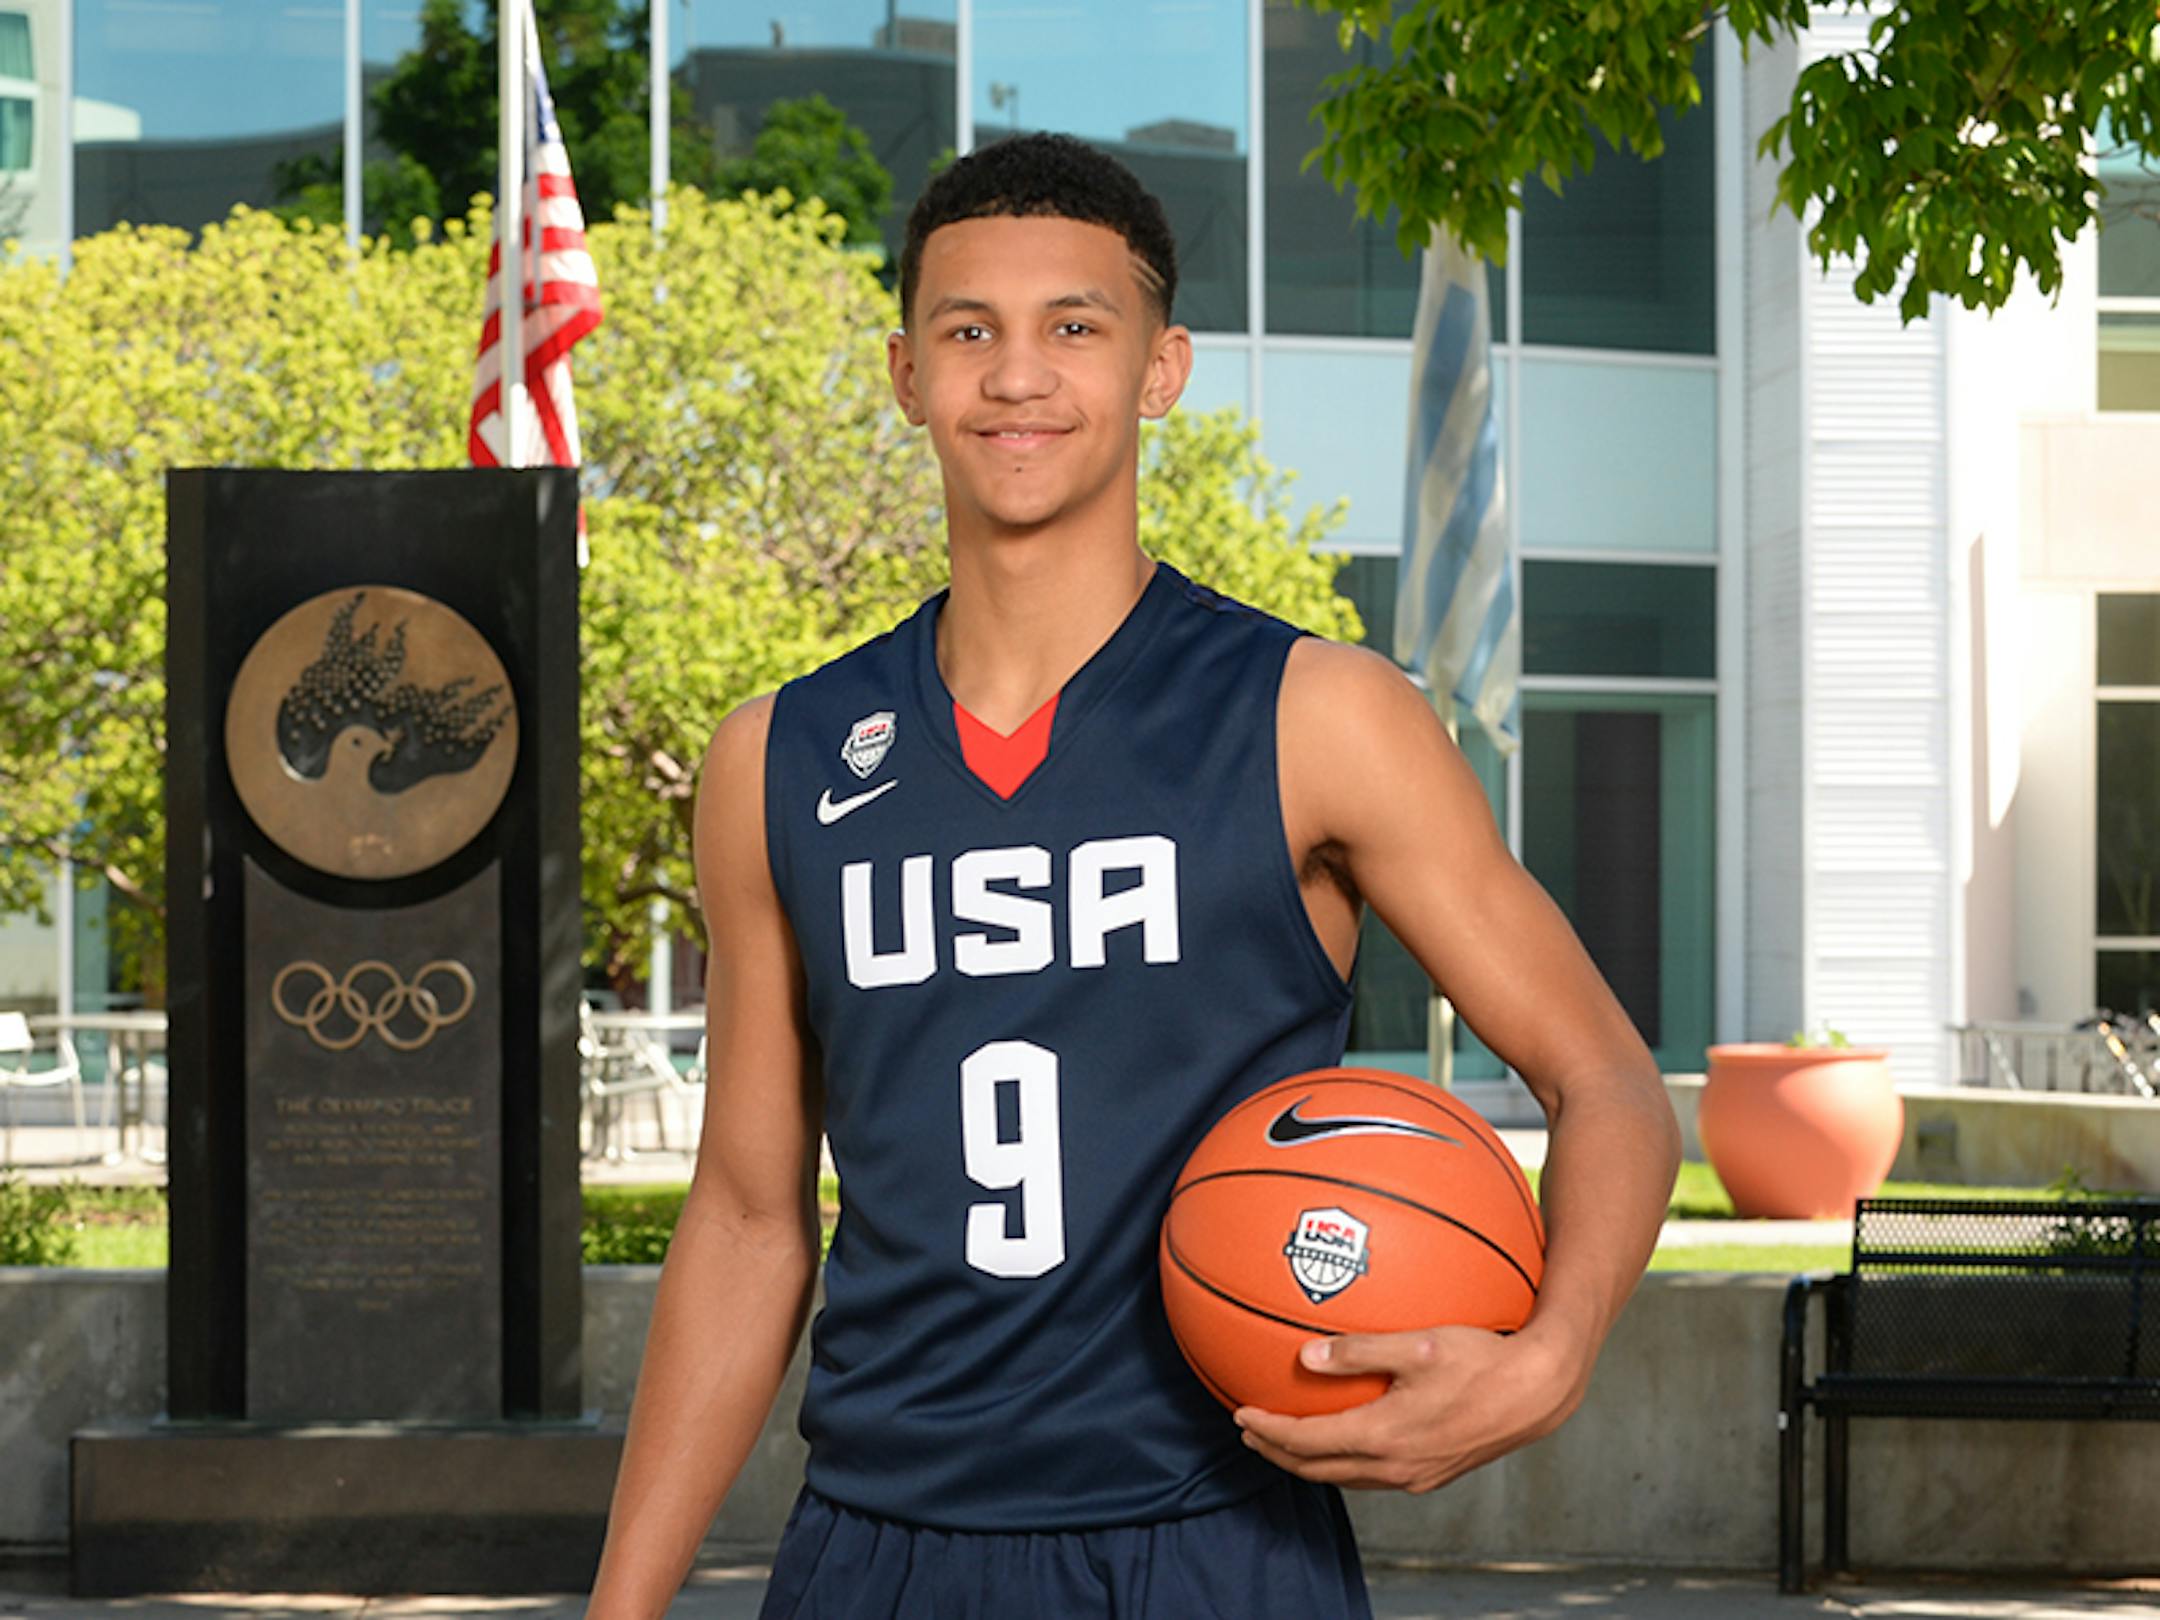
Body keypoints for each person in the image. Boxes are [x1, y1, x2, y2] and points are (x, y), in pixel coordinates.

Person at [583, 133, 1679, 1620]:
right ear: (907, 375)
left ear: (1161, 369)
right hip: (874, 1548)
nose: (1017, 376)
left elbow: (1606, 1079)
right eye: (969, 332)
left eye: (1073, 328)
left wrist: (1551, 1358)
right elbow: (747, 1215)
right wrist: (622, 1606)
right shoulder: (776, 757)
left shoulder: (1317, 718)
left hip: (1213, 1541)